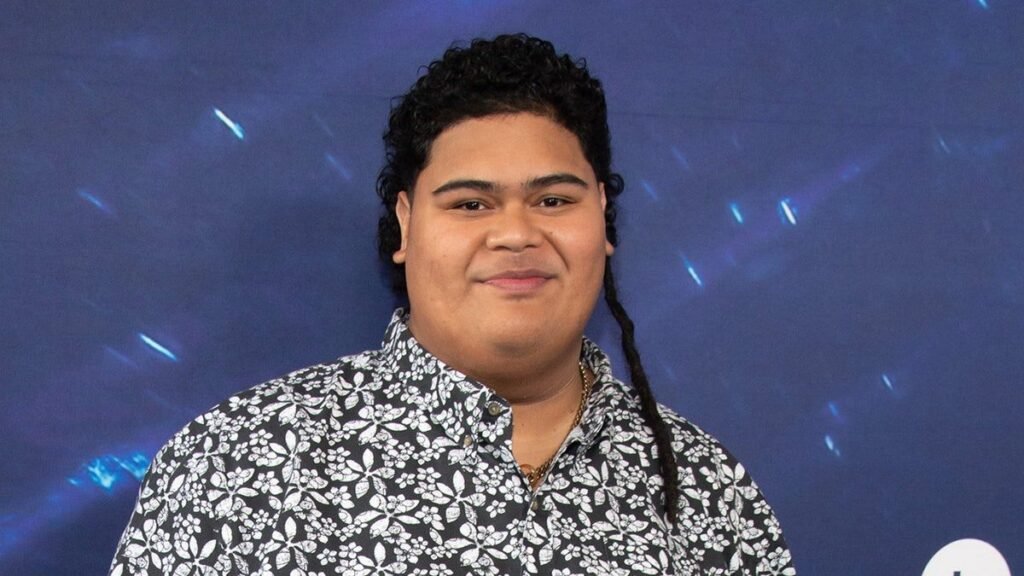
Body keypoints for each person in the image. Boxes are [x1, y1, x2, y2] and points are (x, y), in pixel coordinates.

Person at [110, 34, 794, 575]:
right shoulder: (237, 464)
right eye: (471, 204)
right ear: (406, 226)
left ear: (604, 223)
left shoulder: (705, 488)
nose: (516, 234)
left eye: (554, 200)